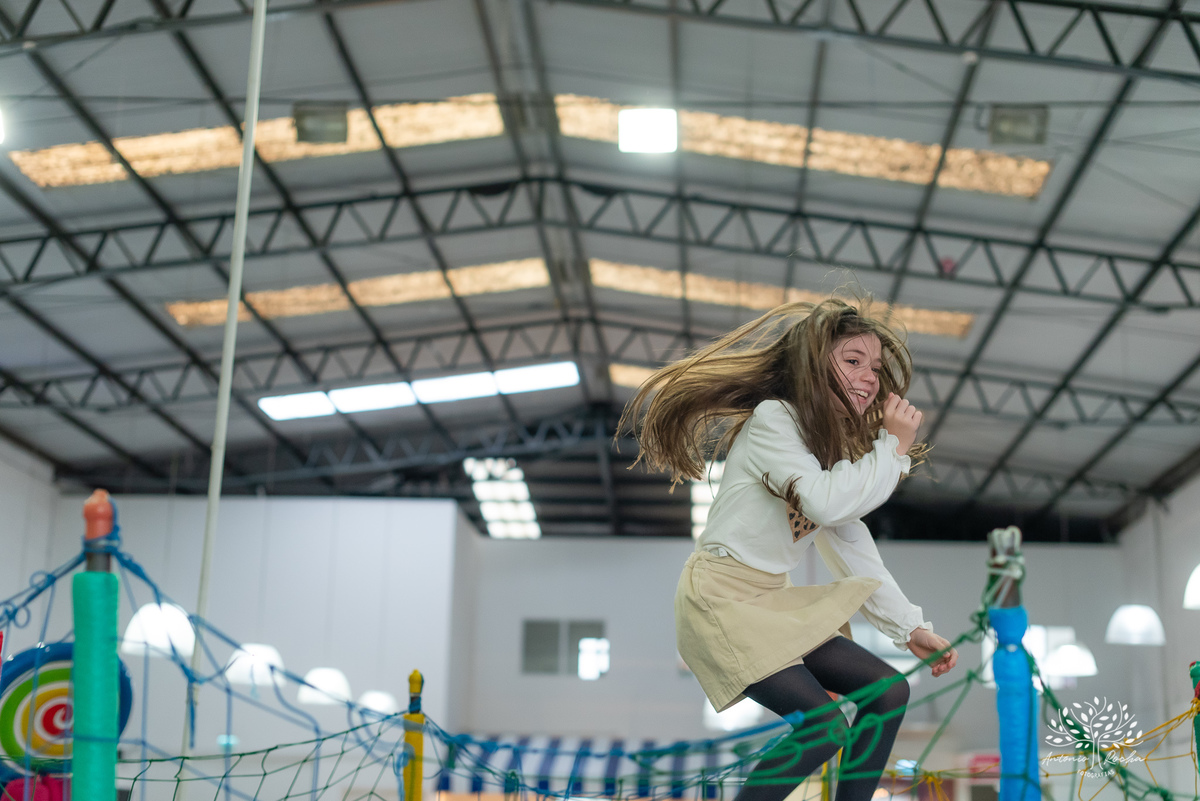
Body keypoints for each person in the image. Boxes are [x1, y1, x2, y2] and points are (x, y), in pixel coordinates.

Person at [619, 298, 958, 801]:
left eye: (876, 368)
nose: (869, 378)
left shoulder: (833, 456)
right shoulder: (773, 420)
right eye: (852, 361)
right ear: (812, 365)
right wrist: (892, 448)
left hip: (773, 600)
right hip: (721, 599)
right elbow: (823, 503)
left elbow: (855, 549)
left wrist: (909, 627)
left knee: (888, 692)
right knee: (824, 729)